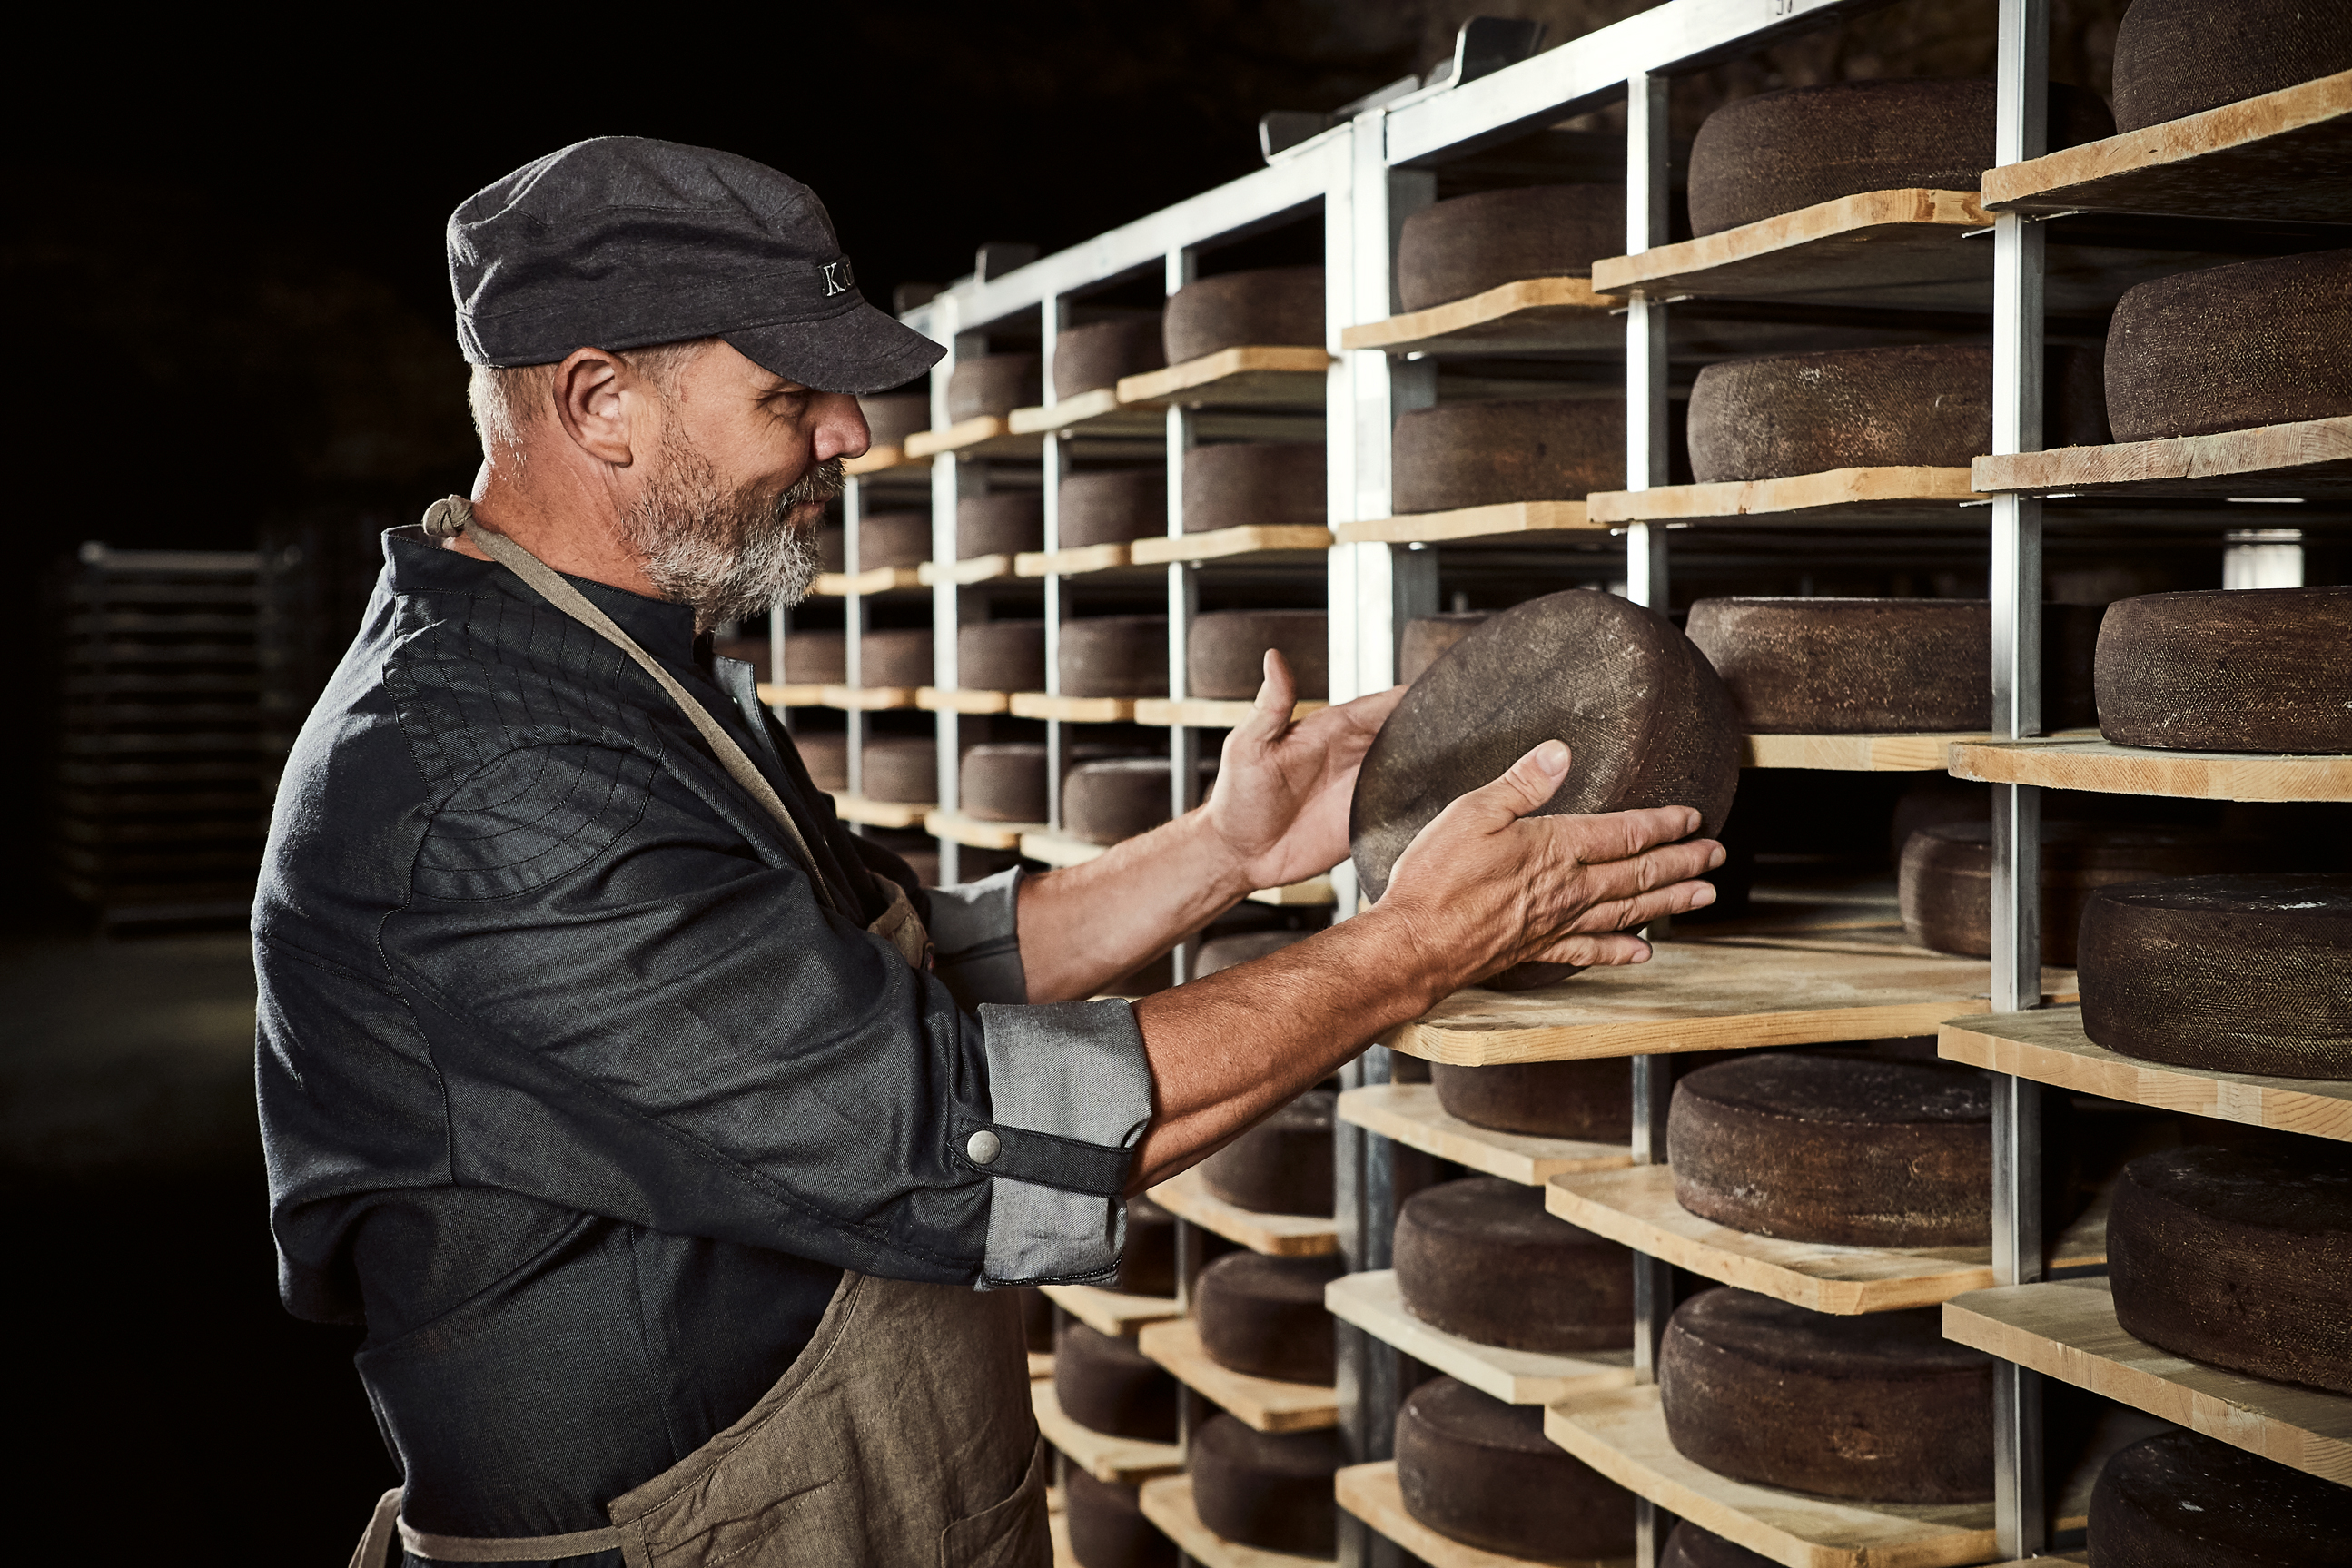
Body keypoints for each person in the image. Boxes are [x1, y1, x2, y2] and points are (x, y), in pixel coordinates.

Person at [256, 137, 1722, 1568]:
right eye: (789, 395)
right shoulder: (489, 777)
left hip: (837, 1495)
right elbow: (943, 1143)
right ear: (599, 403)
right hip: (679, 1537)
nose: (849, 434)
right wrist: (1412, 948)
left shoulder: (612, 668)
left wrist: (1223, 850)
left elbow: (863, 981)